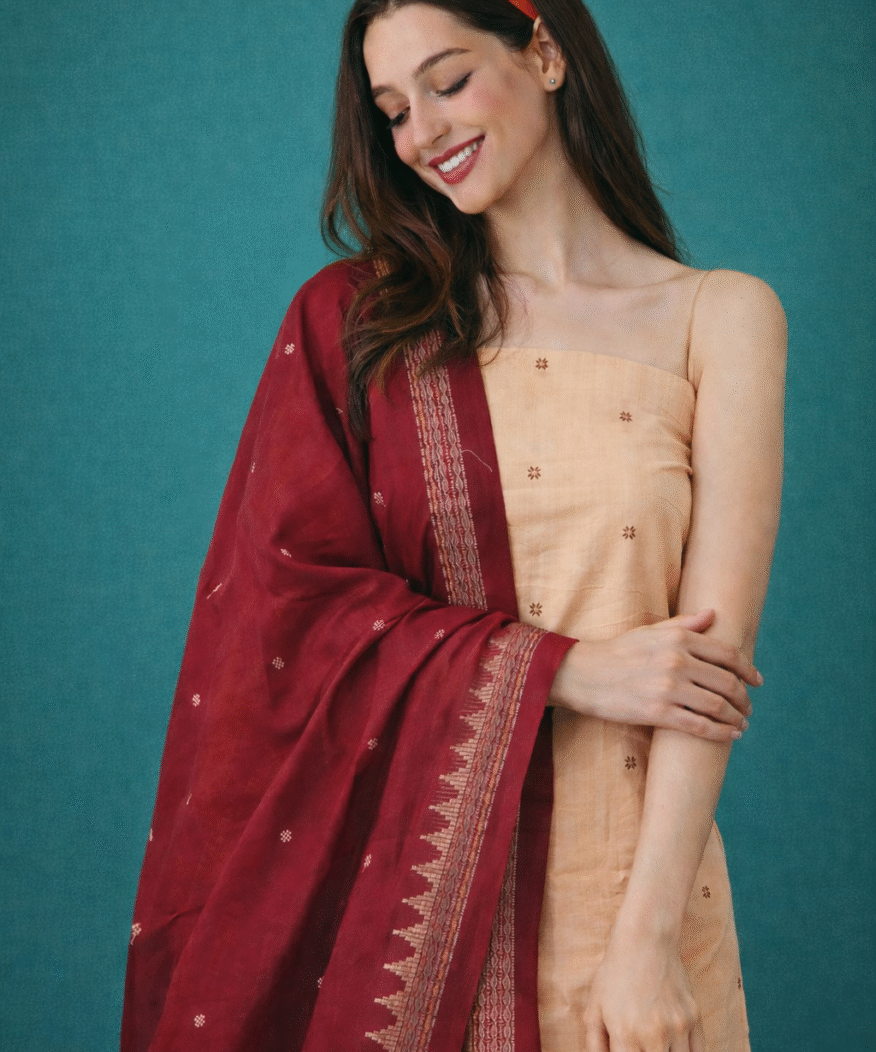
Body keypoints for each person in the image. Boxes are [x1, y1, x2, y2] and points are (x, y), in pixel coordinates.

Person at [121, 0, 786, 1050]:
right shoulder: (363, 326)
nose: (421, 134)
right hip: (413, 923)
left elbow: (712, 665)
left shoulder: (722, 316)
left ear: (546, 52)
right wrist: (564, 669)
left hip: (642, 899)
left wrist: (648, 942)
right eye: (392, 110)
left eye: (447, 81)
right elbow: (291, 615)